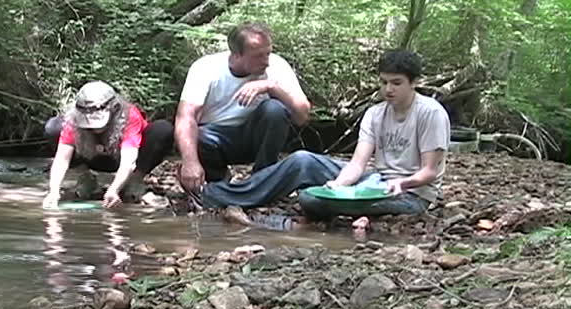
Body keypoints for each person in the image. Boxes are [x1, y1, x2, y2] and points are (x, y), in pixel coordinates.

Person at [189, 49, 450, 227]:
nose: (388, 89)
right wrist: (338, 184)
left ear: (414, 82)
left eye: (396, 83)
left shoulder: (430, 113)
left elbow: (429, 173)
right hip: (374, 179)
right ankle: (216, 195)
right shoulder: (375, 113)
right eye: (383, 83)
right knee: (302, 160)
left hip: (412, 194)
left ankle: (360, 212)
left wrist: (401, 184)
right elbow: (357, 164)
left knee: (310, 200)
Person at [174, 22, 311, 195]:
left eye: (268, 53)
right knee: (195, 134)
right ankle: (219, 182)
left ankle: (263, 178)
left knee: (274, 109)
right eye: (258, 56)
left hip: (255, 137)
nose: (266, 61)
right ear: (237, 55)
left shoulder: (277, 66)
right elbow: (185, 117)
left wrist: (271, 87)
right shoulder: (206, 68)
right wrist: (190, 162)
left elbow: (303, 116)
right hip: (217, 139)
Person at [42, 81, 173, 209]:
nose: (94, 127)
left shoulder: (129, 115)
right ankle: (86, 179)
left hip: (122, 158)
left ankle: (134, 182)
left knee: (163, 130)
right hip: (91, 157)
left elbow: (129, 162)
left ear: (114, 108)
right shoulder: (73, 119)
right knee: (53, 128)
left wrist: (113, 190)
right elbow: (62, 159)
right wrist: (54, 191)